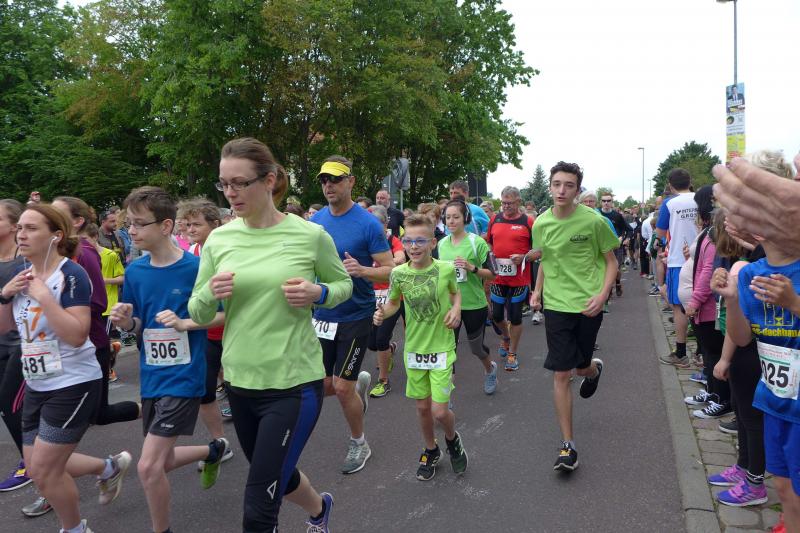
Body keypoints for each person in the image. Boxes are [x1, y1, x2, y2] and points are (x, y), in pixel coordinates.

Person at [189, 137, 351, 532]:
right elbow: (197, 310)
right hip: (240, 381)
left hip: (293, 383)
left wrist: (319, 293)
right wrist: (209, 292)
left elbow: (344, 285)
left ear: (269, 180)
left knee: (259, 504)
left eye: (240, 183)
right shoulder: (220, 239)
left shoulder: (310, 235)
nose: (230, 193)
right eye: (224, 183)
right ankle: (320, 510)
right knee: (276, 473)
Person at [0, 204, 131, 533]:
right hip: (37, 382)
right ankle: (108, 468)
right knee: (37, 467)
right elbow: (3, 329)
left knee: (46, 469)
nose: (21, 234)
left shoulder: (71, 275)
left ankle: (74, 528)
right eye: (20, 228)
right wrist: (5, 296)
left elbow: (76, 335)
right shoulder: (23, 274)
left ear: (55, 236)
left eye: (31, 228)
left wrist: (45, 298)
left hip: (73, 383)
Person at [109, 187, 229, 533]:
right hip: (152, 376)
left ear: (165, 226)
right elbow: (139, 323)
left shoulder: (197, 268)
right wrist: (125, 323)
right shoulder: (135, 271)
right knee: (159, 460)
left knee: (148, 467)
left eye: (139, 224)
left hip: (186, 376)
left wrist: (184, 323)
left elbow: (223, 315)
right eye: (128, 224)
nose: (131, 231)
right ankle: (212, 450)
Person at [531, 161, 618, 471]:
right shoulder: (541, 223)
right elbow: (545, 259)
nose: (561, 190)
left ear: (577, 190)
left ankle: (593, 370)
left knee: (580, 367)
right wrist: (537, 291)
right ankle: (568, 445)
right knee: (561, 373)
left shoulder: (594, 221)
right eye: (557, 184)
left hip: (588, 304)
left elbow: (611, 262)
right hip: (556, 305)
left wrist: (603, 295)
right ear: (550, 187)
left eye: (568, 185)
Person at [310, 156, 394, 475]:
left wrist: (363, 270)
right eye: (324, 180)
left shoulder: (368, 223)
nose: (328, 185)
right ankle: (357, 384)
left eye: (335, 179)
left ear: (351, 181)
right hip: (322, 315)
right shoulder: (316, 221)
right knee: (322, 385)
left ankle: (359, 442)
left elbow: (390, 268)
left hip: (355, 315)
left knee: (341, 388)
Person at [373, 214, 468, 481]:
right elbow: (393, 303)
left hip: (441, 348)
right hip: (414, 349)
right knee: (423, 408)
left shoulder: (445, 269)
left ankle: (452, 438)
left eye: (420, 241)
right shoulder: (398, 273)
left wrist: (457, 310)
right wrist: (382, 313)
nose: (413, 247)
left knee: (439, 411)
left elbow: (455, 293)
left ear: (432, 243)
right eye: (408, 241)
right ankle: (431, 449)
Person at [177, 198, 235, 455]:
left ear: (215, 224)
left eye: (196, 224)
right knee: (205, 391)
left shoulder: (229, 251)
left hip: (234, 332)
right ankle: (220, 443)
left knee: (243, 390)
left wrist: (187, 323)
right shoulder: (192, 253)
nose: (190, 229)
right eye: (187, 224)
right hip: (206, 334)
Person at [681, 186, 731, 419]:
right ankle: (712, 391)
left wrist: (695, 301)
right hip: (703, 307)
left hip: (708, 307)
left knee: (713, 352)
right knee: (709, 354)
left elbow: (708, 271)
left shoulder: (713, 237)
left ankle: (721, 398)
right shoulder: (708, 233)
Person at [438, 200, 498, 393]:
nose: (451, 221)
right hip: (449, 306)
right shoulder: (441, 244)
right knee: (449, 350)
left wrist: (472, 268)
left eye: (456, 217)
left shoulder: (476, 242)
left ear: (465, 218)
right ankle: (446, 397)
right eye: (448, 217)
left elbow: (493, 273)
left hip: (474, 304)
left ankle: (490, 369)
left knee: (476, 348)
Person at [485, 186, 537, 371]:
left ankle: (513, 353)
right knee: (497, 315)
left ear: (518, 202)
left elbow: (538, 250)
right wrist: (490, 255)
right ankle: (506, 337)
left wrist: (524, 257)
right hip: (499, 277)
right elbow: (489, 242)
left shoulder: (528, 221)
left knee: (515, 316)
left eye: (510, 203)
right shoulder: (495, 219)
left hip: (519, 279)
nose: (505, 206)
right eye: (503, 203)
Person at [0, 199, 30, 492]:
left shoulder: (26, 260)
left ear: (13, 225)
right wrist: (4, 292)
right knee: (7, 406)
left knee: (11, 403)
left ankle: (32, 463)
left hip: (23, 343)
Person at [656, 169, 699, 367]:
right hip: (701, 257)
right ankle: (701, 352)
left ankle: (681, 353)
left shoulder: (669, 203)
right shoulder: (700, 198)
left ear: (670, 185)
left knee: (679, 307)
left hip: (678, 260)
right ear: (690, 182)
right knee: (700, 304)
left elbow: (660, 232)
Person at [365, 206, 405, 398]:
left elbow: (400, 258)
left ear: (385, 224)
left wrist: (381, 266)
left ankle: (383, 381)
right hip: (370, 298)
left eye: (376, 224)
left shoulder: (392, 241)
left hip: (392, 297)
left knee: (381, 339)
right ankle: (390, 349)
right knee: (371, 344)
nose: (372, 228)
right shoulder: (365, 242)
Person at [84, 223, 125, 382]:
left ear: (95, 237)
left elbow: (122, 278)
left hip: (108, 305)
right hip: (89, 305)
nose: (82, 243)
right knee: (93, 340)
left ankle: (108, 370)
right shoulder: (80, 256)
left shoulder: (110, 255)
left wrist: (103, 280)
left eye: (85, 239)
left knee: (101, 339)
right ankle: (112, 348)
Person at [598, 193, 629, 297]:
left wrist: (624, 238)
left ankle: (618, 283)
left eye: (608, 201)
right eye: (604, 201)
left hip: (616, 246)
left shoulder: (617, 216)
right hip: (602, 246)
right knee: (604, 268)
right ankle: (608, 290)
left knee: (615, 268)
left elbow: (628, 229)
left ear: (612, 202)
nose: (606, 203)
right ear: (601, 202)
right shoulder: (597, 214)